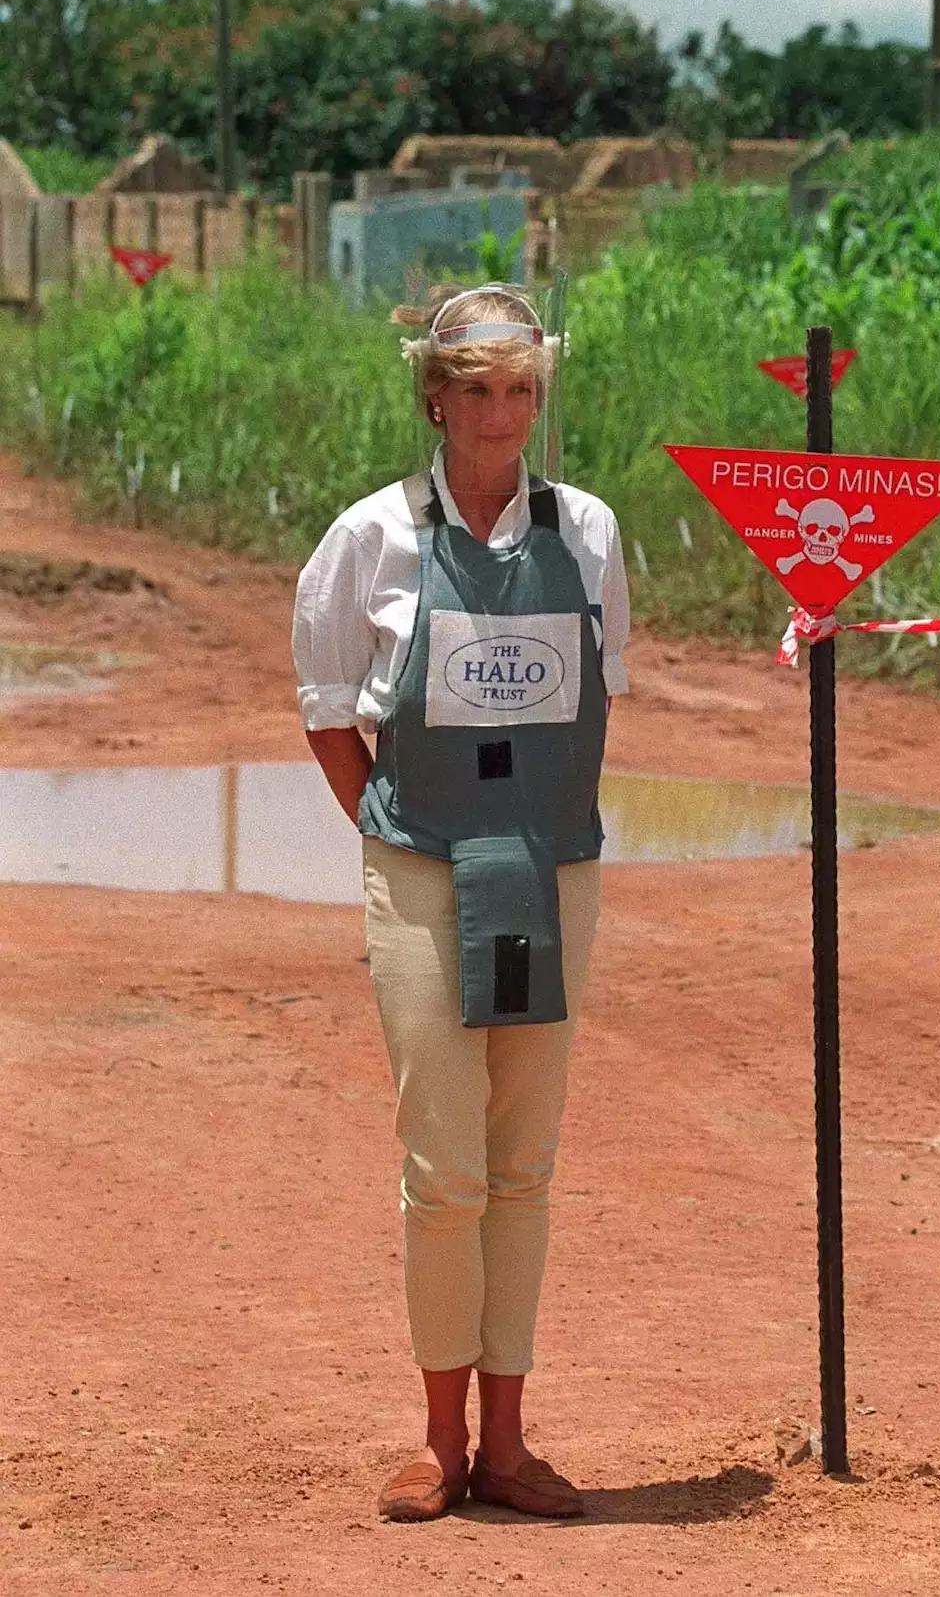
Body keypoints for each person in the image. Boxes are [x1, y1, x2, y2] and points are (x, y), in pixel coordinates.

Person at [291, 283, 630, 1523]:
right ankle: (438, 1444)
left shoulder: (588, 530)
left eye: (521, 388)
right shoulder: (370, 539)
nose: (501, 413)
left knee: (525, 1163)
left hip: (552, 875)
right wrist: (405, 836)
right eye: (476, 389)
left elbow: (599, 697)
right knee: (444, 1167)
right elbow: (331, 713)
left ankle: (512, 1441)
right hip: (424, 872)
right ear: (434, 397)